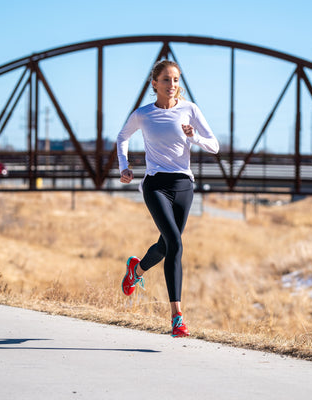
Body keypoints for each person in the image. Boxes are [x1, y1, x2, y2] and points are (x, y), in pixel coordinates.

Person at [117, 60, 219, 337]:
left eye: (175, 80)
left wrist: (194, 136)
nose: (171, 85)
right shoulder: (143, 114)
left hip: (184, 184)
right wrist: (123, 166)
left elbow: (215, 146)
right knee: (175, 242)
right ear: (154, 83)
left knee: (166, 245)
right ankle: (177, 318)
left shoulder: (190, 110)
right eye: (165, 80)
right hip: (155, 184)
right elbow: (122, 137)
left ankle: (136, 270)